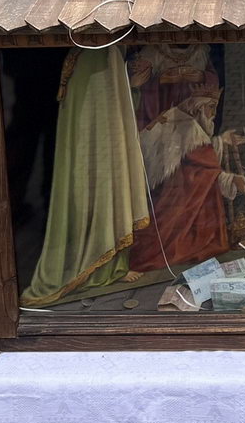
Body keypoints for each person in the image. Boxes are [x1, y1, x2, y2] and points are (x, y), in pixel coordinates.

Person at [20, 47, 150, 307]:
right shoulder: (98, 56)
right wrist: (132, 87)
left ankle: (112, 266)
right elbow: (107, 109)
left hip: (99, 144)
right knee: (103, 191)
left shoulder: (100, 54)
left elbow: (115, 105)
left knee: (106, 191)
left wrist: (131, 88)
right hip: (99, 150)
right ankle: (103, 269)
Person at [126, 87, 245, 276]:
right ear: (198, 107)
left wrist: (220, 141)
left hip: (163, 191)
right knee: (174, 239)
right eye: (211, 107)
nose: (213, 114)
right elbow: (202, 166)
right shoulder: (189, 127)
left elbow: (190, 158)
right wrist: (232, 179)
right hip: (178, 197)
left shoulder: (172, 117)